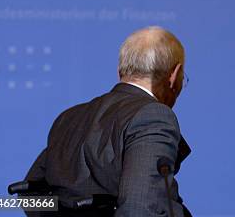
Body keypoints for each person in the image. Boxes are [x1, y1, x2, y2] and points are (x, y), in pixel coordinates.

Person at [25, 26, 192, 216]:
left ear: (121, 70)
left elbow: (29, 192)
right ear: (174, 75)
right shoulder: (154, 116)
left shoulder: (69, 117)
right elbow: (142, 209)